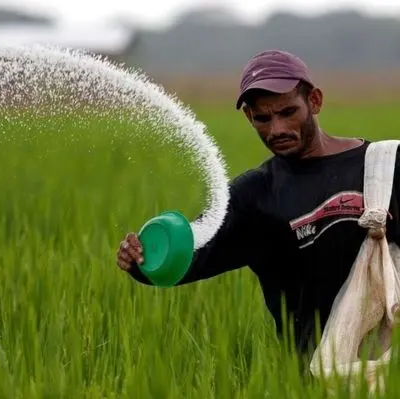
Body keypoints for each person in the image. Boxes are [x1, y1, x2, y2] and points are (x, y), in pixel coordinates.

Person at [115, 49, 400, 357]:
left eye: (288, 112)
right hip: (316, 376)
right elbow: (191, 255)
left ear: (314, 101)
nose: (276, 129)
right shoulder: (255, 196)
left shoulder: (384, 167)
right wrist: (141, 260)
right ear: (249, 116)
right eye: (263, 118)